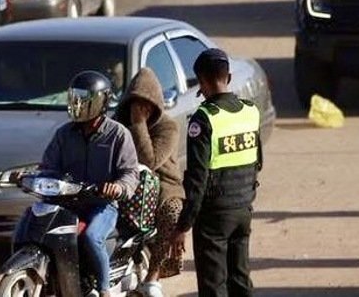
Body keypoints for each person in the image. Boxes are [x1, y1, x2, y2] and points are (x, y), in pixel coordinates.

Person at [39, 71, 139, 297]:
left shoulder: (118, 134)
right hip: (67, 202)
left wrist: (119, 187)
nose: (78, 105)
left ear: (101, 102)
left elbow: (130, 173)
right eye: (75, 98)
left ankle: (104, 290)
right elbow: (49, 166)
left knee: (92, 237)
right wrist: (38, 177)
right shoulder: (64, 134)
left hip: (101, 204)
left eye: (84, 100)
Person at [173, 48, 262, 297]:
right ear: (229, 78)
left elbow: (197, 180)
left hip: (214, 217)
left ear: (201, 83)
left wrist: (183, 225)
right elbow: (257, 162)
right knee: (240, 281)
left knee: (214, 287)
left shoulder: (203, 120)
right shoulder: (250, 111)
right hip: (243, 208)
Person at [114, 68, 185, 296]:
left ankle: (153, 277)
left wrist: (139, 124)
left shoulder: (168, 127)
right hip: (127, 183)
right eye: (135, 103)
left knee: (173, 213)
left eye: (145, 104)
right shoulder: (117, 125)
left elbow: (150, 160)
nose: (140, 108)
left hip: (163, 186)